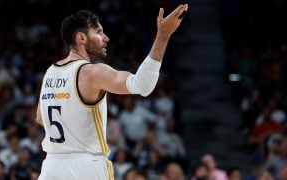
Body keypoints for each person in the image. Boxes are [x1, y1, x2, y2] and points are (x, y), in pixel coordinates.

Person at [36, 3, 189, 180]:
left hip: (51, 167)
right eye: (99, 32)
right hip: (86, 168)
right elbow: (143, 85)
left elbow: (41, 118)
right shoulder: (92, 72)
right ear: (81, 38)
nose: (106, 38)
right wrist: (163, 36)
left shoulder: (51, 72)